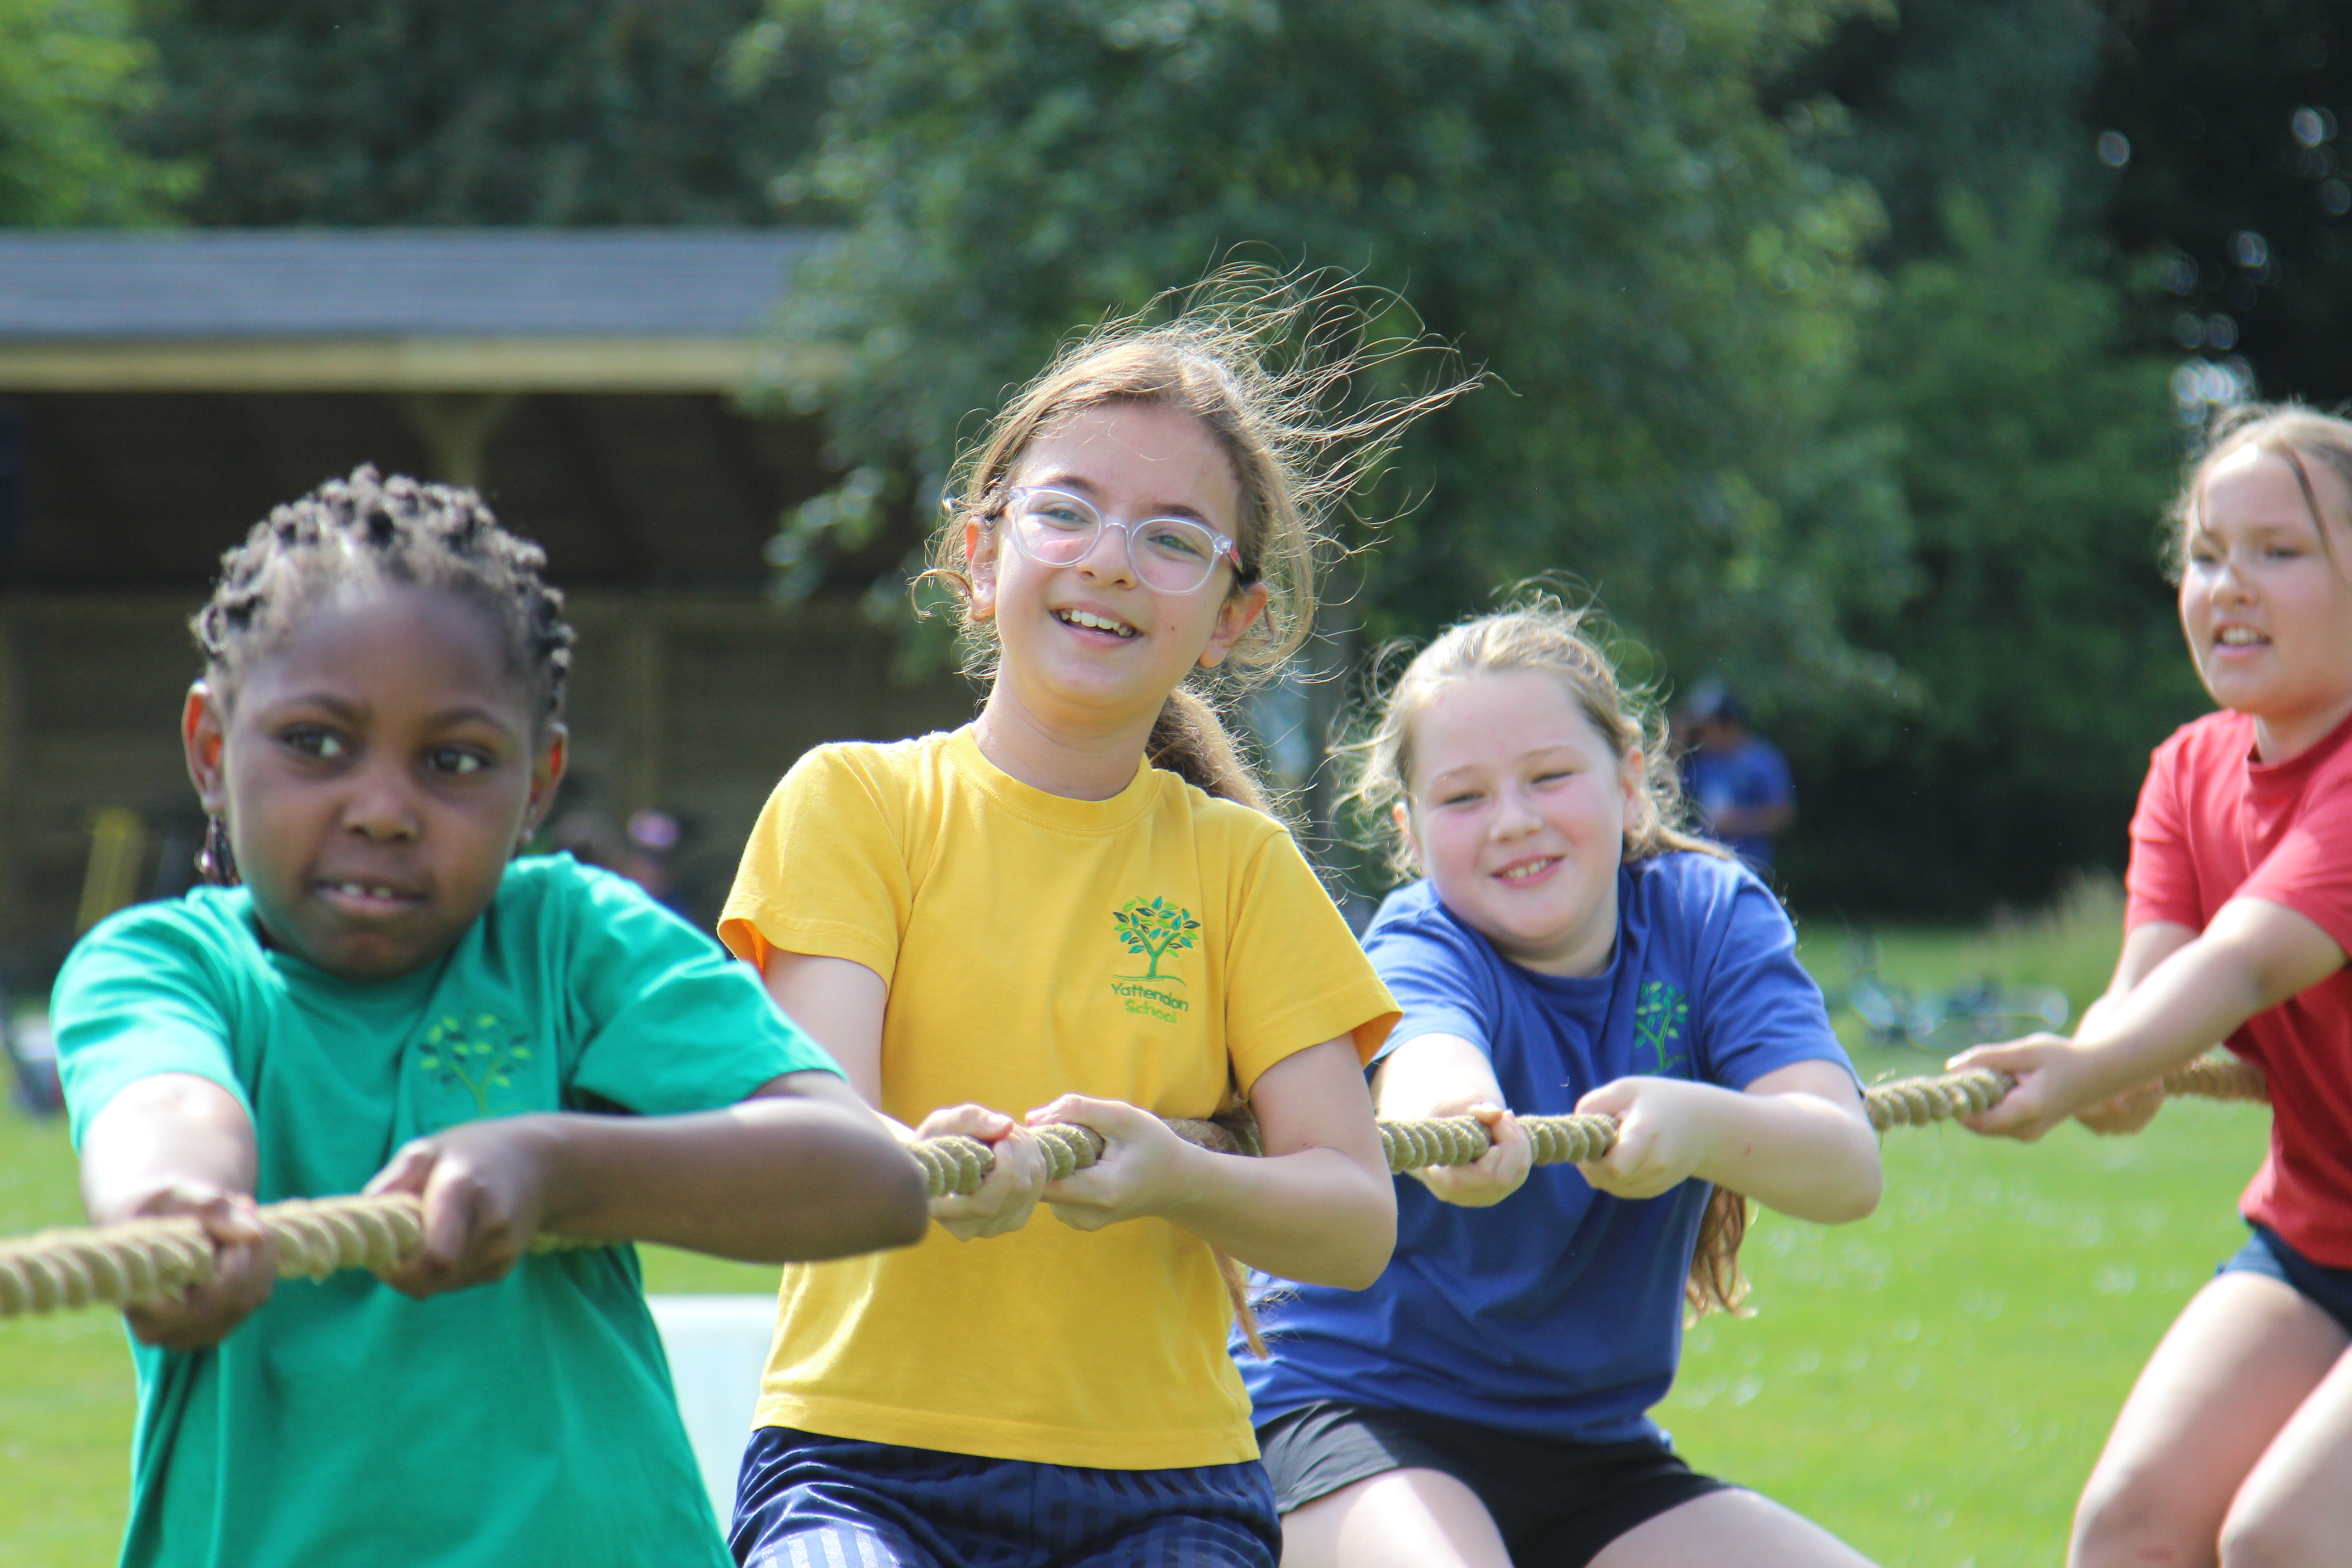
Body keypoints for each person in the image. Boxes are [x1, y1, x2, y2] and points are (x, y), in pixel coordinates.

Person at [718, 279, 1470, 1568]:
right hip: (860, 1470)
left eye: (1174, 539)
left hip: (1166, 1490)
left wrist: (1178, 1178)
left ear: (1233, 616)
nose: (1111, 558)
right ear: (980, 553)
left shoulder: (1239, 868)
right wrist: (921, 1168)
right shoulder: (854, 803)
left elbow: (1355, 1220)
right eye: (1066, 512)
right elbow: (815, 1145)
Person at [52, 468, 929, 1568]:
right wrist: (170, 1205)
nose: (380, 807)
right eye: (315, 742)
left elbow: (869, 1176)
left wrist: (551, 1164)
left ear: (538, 783)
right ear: (213, 750)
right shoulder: (168, 967)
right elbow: (166, 1100)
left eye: (453, 760)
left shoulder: (572, 945)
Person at [1242, 602, 1884, 1568]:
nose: (1514, 822)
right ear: (1409, 835)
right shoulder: (1424, 942)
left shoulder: (1709, 918)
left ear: (1630, 784)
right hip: (1349, 1416)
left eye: (1550, 777)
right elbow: (1425, 1064)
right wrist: (1460, 1128)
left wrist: (1699, 1125)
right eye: (1463, 799)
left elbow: (1844, 1164)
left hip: (1588, 1452)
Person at [1953, 406, 2352, 1568]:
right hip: (2316, 1240)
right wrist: (2101, 1070)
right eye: (2205, 552)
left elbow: (2244, 959)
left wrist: (2090, 1065)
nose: (2228, 585)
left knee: (2289, 1532)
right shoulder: (2186, 772)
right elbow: (2148, 994)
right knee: (2126, 1522)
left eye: (2278, 551)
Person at [1674, 680, 1794, 874]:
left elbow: (1782, 815)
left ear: (1728, 724)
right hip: (1706, 871)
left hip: (1751, 869)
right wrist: (1677, 741)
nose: (1703, 735)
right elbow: (1670, 791)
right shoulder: (1702, 761)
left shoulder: (1762, 759)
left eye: (1708, 727)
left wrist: (1737, 821)